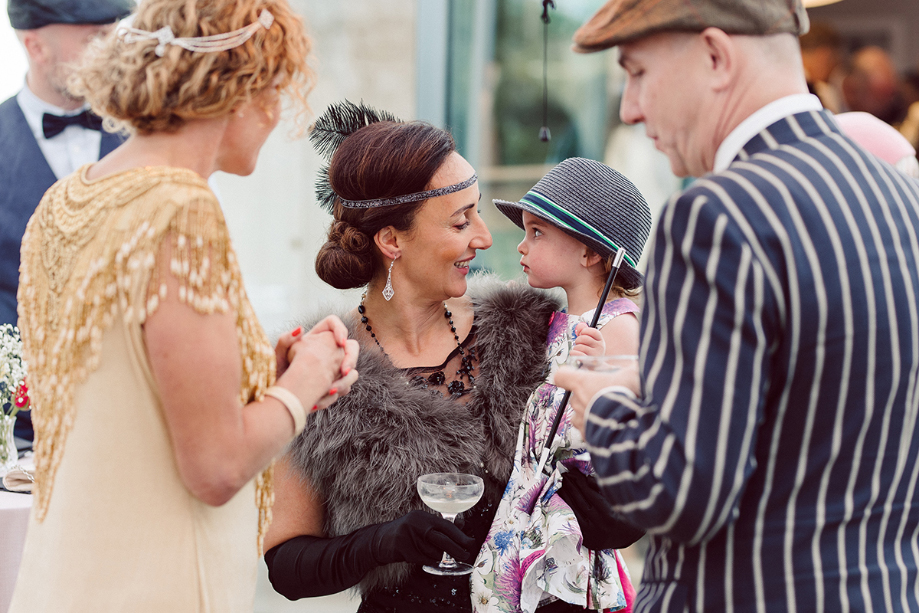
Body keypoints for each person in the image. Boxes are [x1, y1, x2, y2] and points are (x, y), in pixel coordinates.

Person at [555, 0, 919, 611]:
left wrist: (605, 409)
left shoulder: (715, 216)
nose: (629, 108)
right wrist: (664, 382)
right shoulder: (898, 195)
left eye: (638, 72)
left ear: (716, 56)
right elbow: (829, 404)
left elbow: (680, 494)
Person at [9, 2, 358, 611]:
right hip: (153, 583)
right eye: (274, 91)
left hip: (63, 574)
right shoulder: (179, 209)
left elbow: (127, 392)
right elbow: (216, 468)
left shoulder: (64, 201)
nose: (277, 114)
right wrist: (308, 376)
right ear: (237, 89)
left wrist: (267, 376)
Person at [263, 102, 621, 613]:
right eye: (460, 222)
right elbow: (287, 566)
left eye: (478, 212)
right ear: (392, 240)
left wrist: (621, 515)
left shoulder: (533, 329)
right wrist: (384, 542)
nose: (485, 237)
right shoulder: (323, 366)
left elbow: (622, 462)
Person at [471, 157, 651, 612]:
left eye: (538, 233)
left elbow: (632, 427)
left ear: (591, 254)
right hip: (531, 503)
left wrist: (602, 373)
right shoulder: (555, 322)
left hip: (571, 521)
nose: (522, 245)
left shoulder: (617, 327)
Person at [1, 0, 133, 442]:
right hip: (16, 428)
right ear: (36, 47)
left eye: (114, 34)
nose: (112, 51)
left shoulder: (151, 139)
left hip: (133, 418)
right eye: (95, 39)